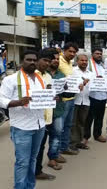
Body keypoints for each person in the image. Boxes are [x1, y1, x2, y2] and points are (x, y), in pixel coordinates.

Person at [0, 50, 46, 189]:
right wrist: (19, 102)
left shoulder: (40, 78)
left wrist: (51, 98)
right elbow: (2, 100)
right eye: (28, 59)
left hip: (39, 125)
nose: (32, 62)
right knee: (23, 162)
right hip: (22, 127)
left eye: (34, 60)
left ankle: (30, 186)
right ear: (22, 61)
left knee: (33, 159)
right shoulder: (11, 79)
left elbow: (43, 97)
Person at [34, 49, 56, 180]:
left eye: (49, 61)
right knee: (32, 149)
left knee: (41, 146)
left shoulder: (48, 76)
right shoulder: (31, 76)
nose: (47, 63)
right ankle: (31, 173)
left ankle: (37, 171)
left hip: (46, 118)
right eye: (45, 60)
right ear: (38, 60)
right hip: (33, 120)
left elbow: (49, 94)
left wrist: (54, 97)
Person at [46, 49, 67, 171]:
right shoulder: (42, 74)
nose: (56, 61)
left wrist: (66, 88)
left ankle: (53, 157)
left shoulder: (62, 75)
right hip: (44, 111)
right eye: (53, 58)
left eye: (58, 59)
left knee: (57, 134)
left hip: (58, 110)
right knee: (43, 137)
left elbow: (65, 93)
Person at [58, 42, 79, 155]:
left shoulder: (70, 63)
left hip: (71, 98)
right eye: (70, 51)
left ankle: (65, 147)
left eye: (74, 52)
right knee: (59, 127)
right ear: (64, 51)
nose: (72, 54)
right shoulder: (58, 62)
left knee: (68, 125)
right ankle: (56, 152)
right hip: (62, 100)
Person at [84, 48, 107, 143]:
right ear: (92, 54)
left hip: (102, 95)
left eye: (100, 54)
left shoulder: (102, 65)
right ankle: (86, 136)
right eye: (97, 53)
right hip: (92, 95)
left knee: (100, 116)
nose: (99, 55)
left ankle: (97, 134)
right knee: (89, 117)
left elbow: (106, 78)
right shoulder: (88, 64)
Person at [71, 54, 92, 150]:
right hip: (75, 100)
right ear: (77, 61)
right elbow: (69, 85)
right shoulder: (72, 71)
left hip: (86, 101)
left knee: (82, 122)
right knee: (73, 122)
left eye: (86, 61)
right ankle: (71, 143)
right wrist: (81, 84)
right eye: (82, 60)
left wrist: (105, 85)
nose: (84, 62)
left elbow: (95, 85)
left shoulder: (90, 73)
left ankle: (79, 141)